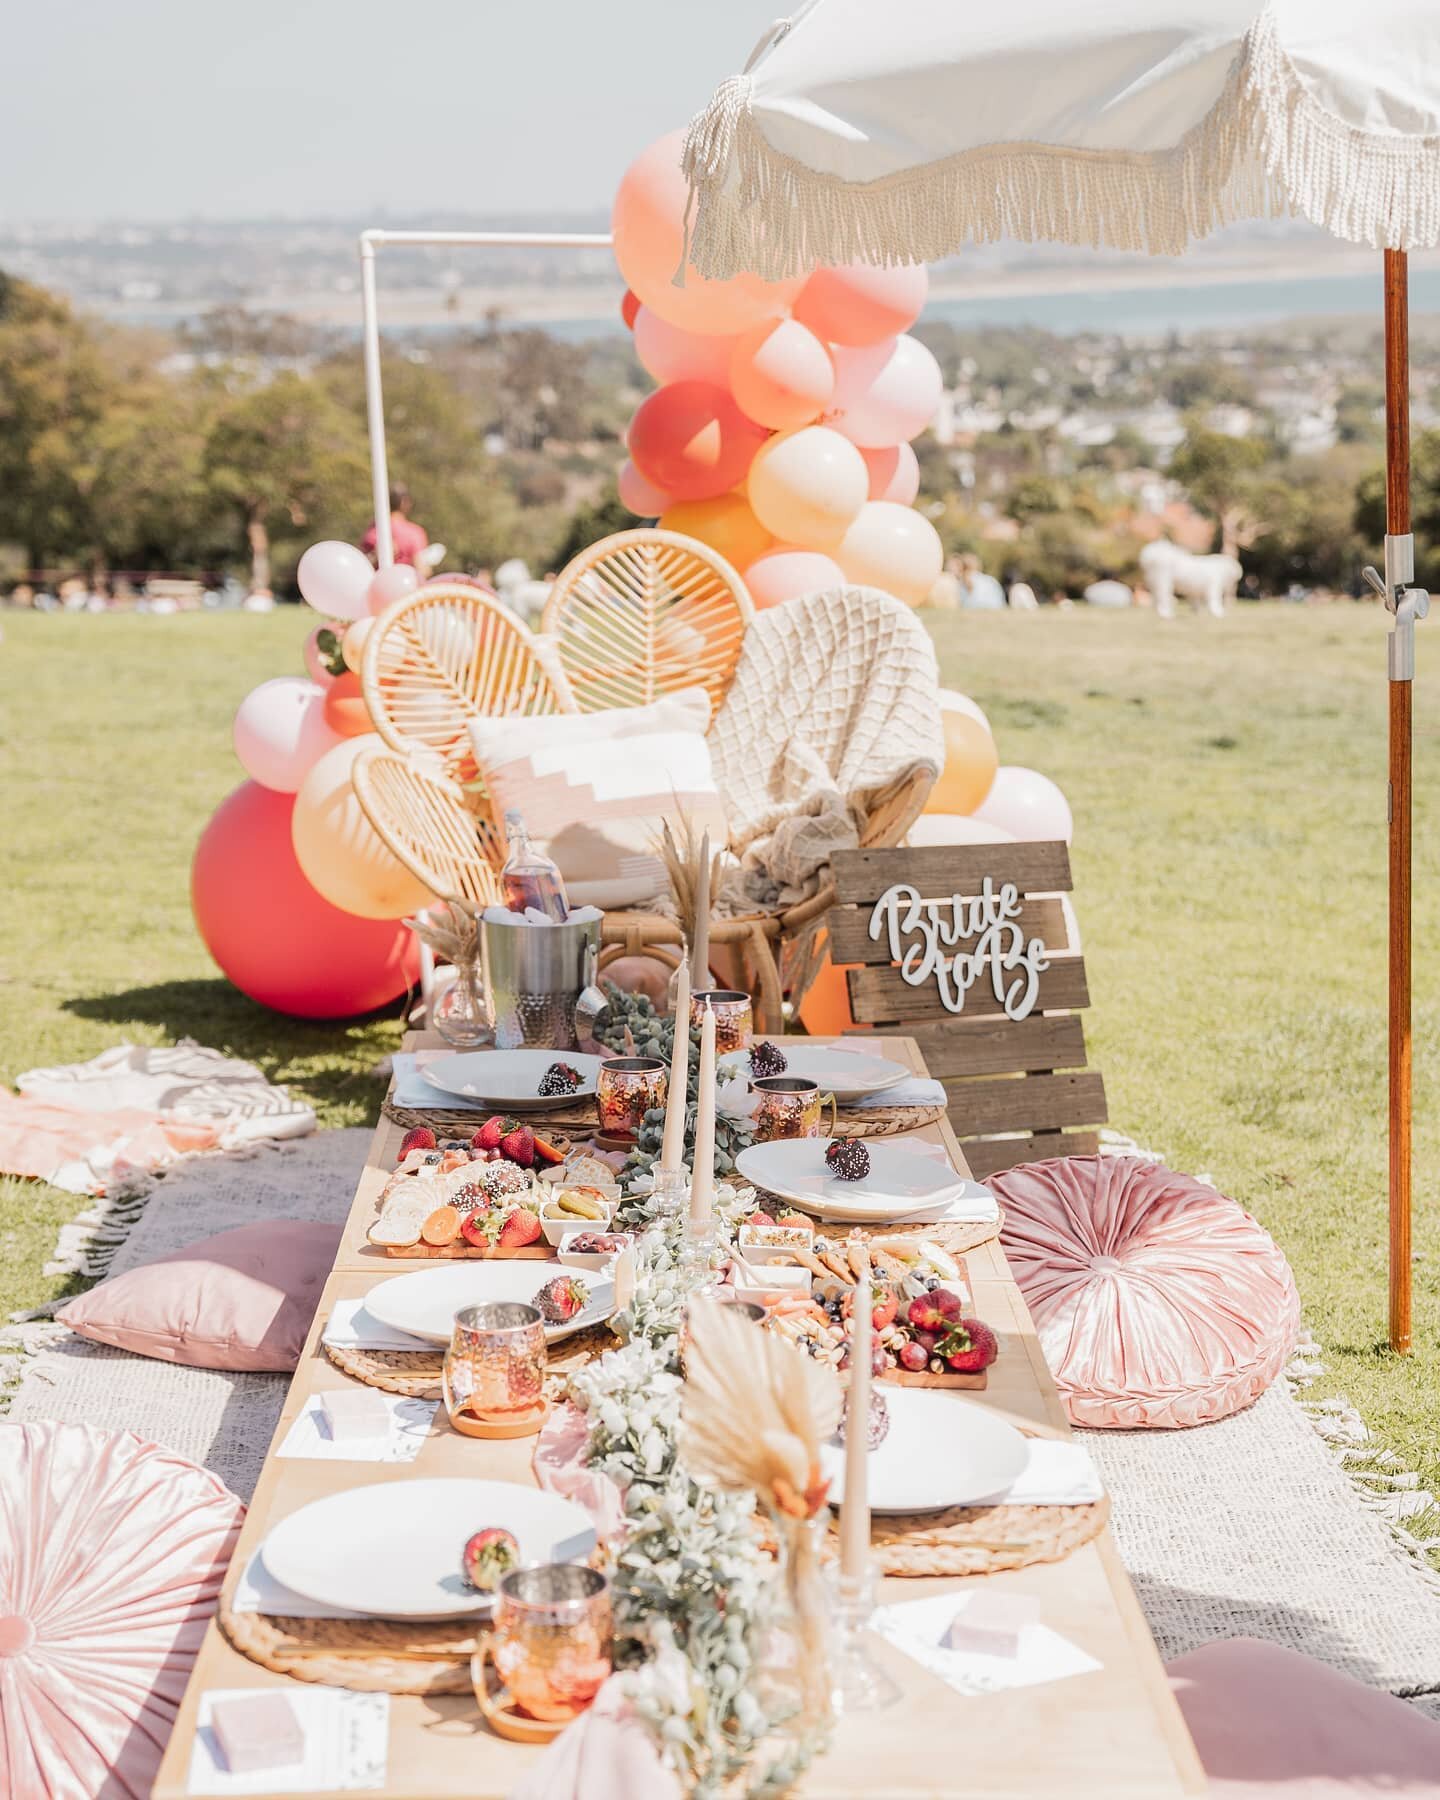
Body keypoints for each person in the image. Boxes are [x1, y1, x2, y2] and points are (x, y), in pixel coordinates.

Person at [362, 484, 430, 568]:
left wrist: (374, 556)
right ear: (404, 503)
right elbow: (422, 569)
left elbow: (360, 565)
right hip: (404, 580)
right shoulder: (415, 533)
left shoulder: (373, 529)